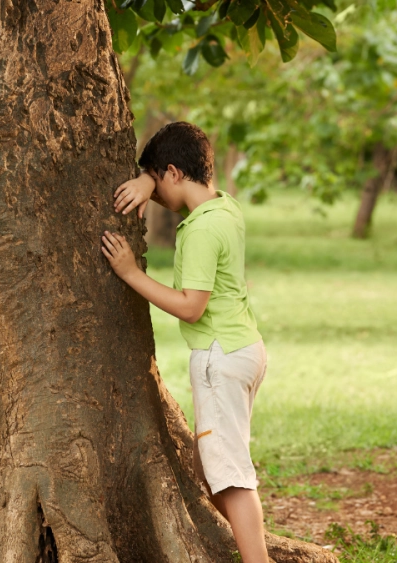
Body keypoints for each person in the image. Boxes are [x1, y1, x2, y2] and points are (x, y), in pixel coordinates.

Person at [101, 122, 269, 562]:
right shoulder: (226, 207)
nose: (154, 196)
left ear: (174, 172)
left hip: (219, 357)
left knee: (230, 477)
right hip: (244, 349)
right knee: (208, 470)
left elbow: (192, 307)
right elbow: (173, 176)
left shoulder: (198, 231)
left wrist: (130, 273)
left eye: (157, 184)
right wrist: (147, 178)